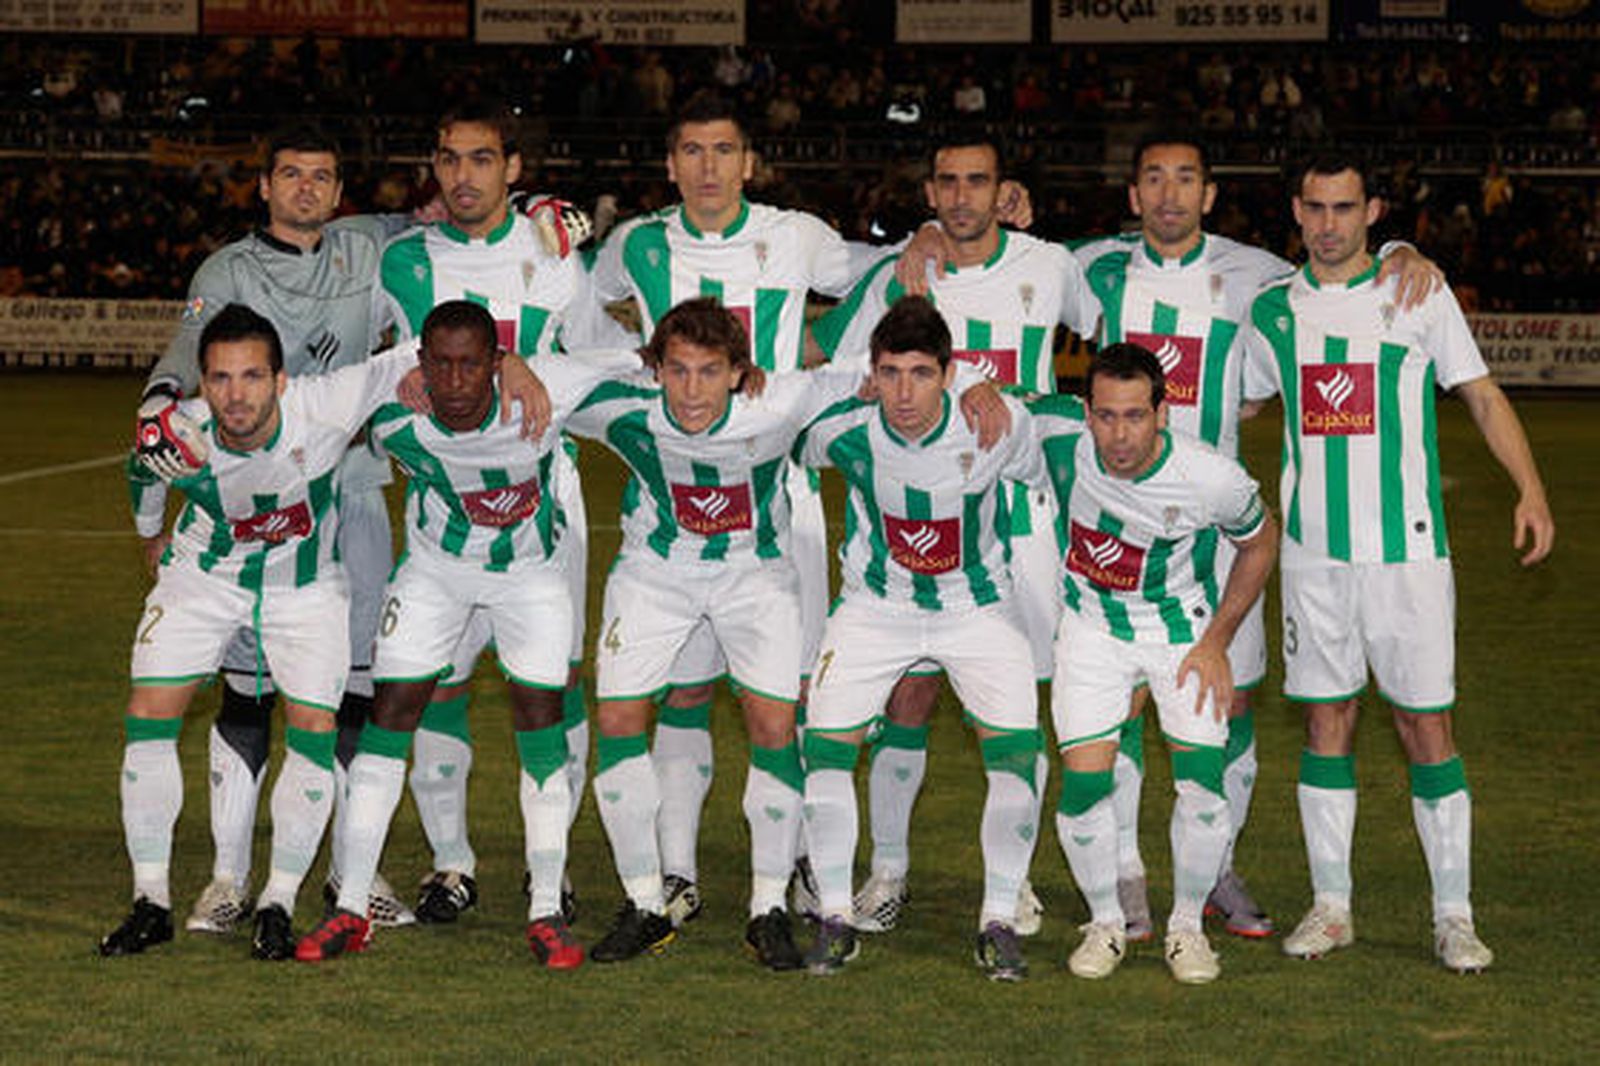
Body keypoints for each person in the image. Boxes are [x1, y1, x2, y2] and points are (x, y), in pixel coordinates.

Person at [1049, 131, 1441, 942]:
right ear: (1132, 196)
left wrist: (1401, 245)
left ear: (1210, 193)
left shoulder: (1258, 273)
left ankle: (1214, 863)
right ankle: (1125, 872)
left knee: (1233, 701)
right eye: (1151, 178)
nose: (1167, 194)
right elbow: (1005, 258)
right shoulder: (1093, 269)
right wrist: (938, 232)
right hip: (1122, 523)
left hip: (1222, 525)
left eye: (1184, 179)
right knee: (1117, 702)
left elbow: (1338, 273)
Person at [562, 296, 1005, 968]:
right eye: (677, 371)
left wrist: (976, 384)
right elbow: (545, 374)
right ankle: (645, 901)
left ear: (742, 371)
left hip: (756, 578)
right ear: (656, 370)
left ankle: (766, 908)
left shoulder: (782, 403)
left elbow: (881, 364)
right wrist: (513, 368)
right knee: (619, 719)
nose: (692, 389)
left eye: (710, 372)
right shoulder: (623, 411)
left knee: (774, 726)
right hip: (654, 576)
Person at [1243, 154, 1554, 973]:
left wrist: (1530, 489)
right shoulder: (1272, 310)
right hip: (1312, 559)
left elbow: (1480, 392)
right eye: (1314, 206)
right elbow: (1234, 399)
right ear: (1296, 209)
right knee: (1325, 722)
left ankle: (1453, 915)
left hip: (1408, 555)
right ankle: (1332, 905)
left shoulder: (1416, 289)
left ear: (1373, 209)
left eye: (1345, 207)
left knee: (1425, 727)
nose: (1328, 223)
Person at [811, 135, 1098, 936]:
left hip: (1025, 519)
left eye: (980, 182)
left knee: (1019, 697)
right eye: (949, 183)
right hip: (914, 527)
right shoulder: (902, 272)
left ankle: (1021, 880)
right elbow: (839, 369)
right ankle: (889, 869)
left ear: (1007, 191)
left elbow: (1116, 301)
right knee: (909, 690)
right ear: (929, 192)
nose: (963, 196)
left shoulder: (1049, 264)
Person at [133, 125, 413, 934]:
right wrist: (158, 403)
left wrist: (533, 205)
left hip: (350, 488)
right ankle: (227, 878)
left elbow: (448, 220)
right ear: (264, 185)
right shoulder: (227, 269)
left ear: (338, 189)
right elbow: (189, 348)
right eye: (289, 174)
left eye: (321, 176)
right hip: (256, 503)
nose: (305, 189)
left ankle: (352, 872)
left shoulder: (368, 246)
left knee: (354, 688)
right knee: (246, 689)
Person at [293, 301, 632, 968]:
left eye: (470, 364)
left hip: (530, 580)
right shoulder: (393, 411)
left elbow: (638, 360)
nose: (453, 381)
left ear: (497, 364)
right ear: (419, 364)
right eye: (439, 364)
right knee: (390, 718)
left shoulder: (545, 391)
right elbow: (308, 397)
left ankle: (544, 912)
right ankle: (351, 907)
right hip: (433, 577)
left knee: (543, 723)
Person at [589, 91, 858, 925]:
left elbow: (869, 290)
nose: (709, 168)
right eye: (693, 152)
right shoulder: (634, 244)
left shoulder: (800, 236)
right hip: (670, 494)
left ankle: (801, 861)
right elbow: (593, 306)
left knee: (788, 700)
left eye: (724, 151)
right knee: (683, 693)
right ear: (671, 165)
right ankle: (676, 870)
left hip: (779, 498)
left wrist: (809, 356)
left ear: (750, 162)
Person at [104, 304, 422, 959]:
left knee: (312, 726)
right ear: (202, 382)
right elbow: (142, 468)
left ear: (281, 381)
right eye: (219, 378)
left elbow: (427, 348)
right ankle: (151, 901)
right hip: (202, 580)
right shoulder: (184, 433)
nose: (235, 394)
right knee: (149, 714)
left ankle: (277, 900)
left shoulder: (327, 403)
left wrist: (519, 366)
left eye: (252, 377)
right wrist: (148, 539)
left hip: (304, 590)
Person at [372, 98, 617, 924]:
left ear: (514, 169)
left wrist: (518, 365)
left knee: (556, 684)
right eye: (448, 159)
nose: (463, 175)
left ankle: (556, 866)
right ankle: (451, 864)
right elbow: (379, 365)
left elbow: (596, 361)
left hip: (546, 504)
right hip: (442, 503)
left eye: (481, 159)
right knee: (439, 682)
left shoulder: (556, 259)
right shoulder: (401, 262)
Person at [795, 297, 1044, 982]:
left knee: (1018, 757)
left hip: (978, 609)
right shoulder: (844, 428)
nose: (904, 392)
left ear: (948, 373)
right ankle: (838, 917)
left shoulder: (994, 423)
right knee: (823, 751)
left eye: (922, 373)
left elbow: (1064, 423)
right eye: (890, 373)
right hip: (876, 607)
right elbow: (783, 406)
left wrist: (982, 385)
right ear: (870, 374)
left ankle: (998, 918)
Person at [1037, 342, 1278, 985]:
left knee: (1202, 783)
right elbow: (994, 397)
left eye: (1136, 416)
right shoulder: (1058, 433)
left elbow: (1259, 542)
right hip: (1090, 631)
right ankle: (1107, 923)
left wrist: (1218, 640)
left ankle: (1188, 930)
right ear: (1085, 413)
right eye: (1107, 416)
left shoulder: (1210, 477)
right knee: (1084, 784)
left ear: (1163, 413)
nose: (1120, 434)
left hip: (1180, 635)